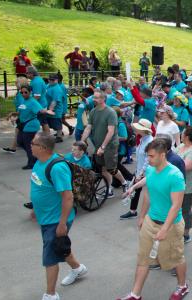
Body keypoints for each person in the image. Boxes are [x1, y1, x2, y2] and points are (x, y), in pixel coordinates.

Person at [117, 138, 189, 300]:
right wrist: (142, 215)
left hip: (171, 225)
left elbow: (176, 205)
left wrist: (164, 229)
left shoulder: (175, 175)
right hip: (151, 221)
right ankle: (135, 294)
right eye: (147, 156)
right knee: (143, 258)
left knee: (176, 258)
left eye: (151, 156)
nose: (148, 159)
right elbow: (148, 192)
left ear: (162, 155)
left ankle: (182, 286)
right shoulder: (151, 169)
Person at [28, 133, 88, 300]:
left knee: (49, 257)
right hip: (45, 217)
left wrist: (62, 224)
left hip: (55, 220)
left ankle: (50, 294)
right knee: (58, 247)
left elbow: (68, 197)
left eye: (33, 143)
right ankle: (77, 269)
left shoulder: (56, 167)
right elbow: (39, 186)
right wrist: (35, 208)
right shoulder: (39, 162)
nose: (30, 145)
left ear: (43, 148)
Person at [81, 91, 129, 198]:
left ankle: (125, 183)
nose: (94, 99)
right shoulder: (93, 111)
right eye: (94, 97)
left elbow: (110, 131)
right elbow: (88, 127)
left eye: (97, 98)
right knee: (102, 168)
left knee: (111, 168)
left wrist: (103, 147)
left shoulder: (110, 112)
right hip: (98, 144)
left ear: (103, 99)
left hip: (110, 145)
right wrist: (82, 140)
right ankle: (109, 189)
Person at [120, 119, 154, 220]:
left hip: (147, 172)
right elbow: (141, 158)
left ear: (144, 130)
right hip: (140, 171)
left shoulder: (150, 142)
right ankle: (133, 211)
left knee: (150, 192)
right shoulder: (143, 139)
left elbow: (148, 160)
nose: (135, 129)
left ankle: (149, 214)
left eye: (138, 128)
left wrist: (141, 173)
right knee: (136, 190)